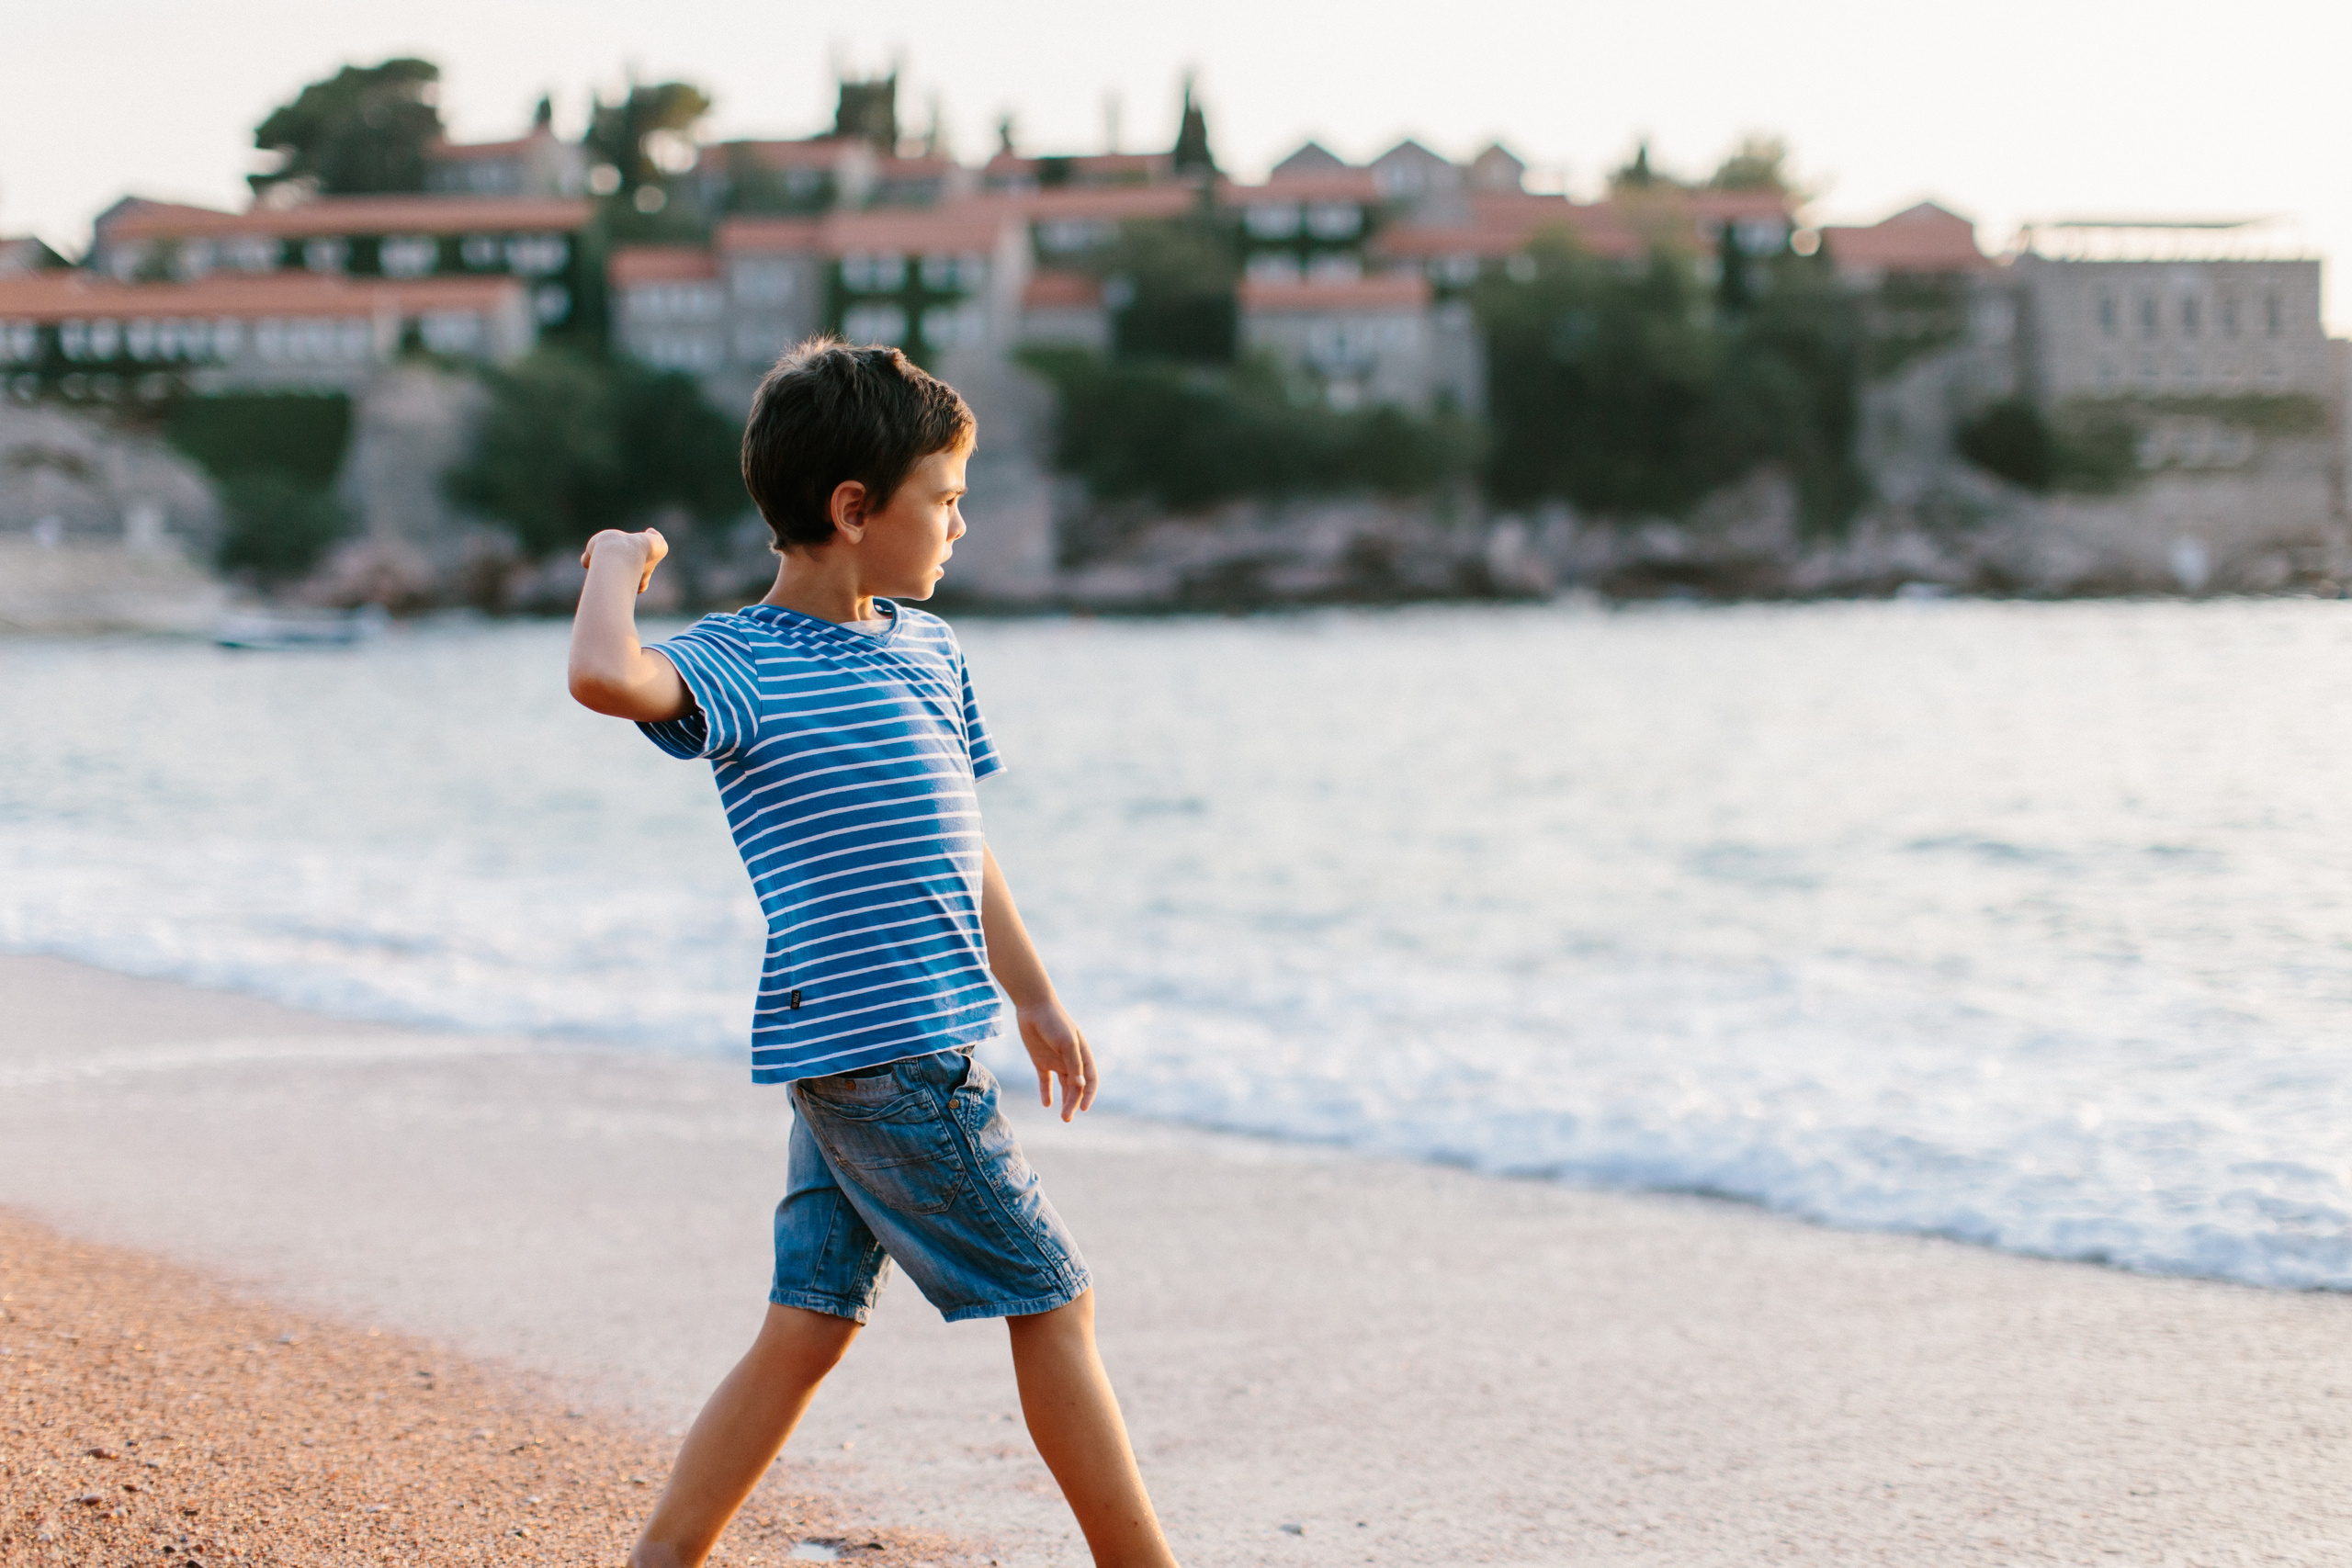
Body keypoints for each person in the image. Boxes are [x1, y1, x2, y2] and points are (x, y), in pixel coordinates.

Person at [566, 339, 1179, 1568]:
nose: (961, 524)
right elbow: (599, 672)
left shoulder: (930, 651)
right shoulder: (737, 663)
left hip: (874, 1046)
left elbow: (964, 843)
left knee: (808, 1324)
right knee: (1057, 1303)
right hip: (890, 1055)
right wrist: (615, 568)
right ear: (854, 510)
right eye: (943, 500)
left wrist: (1040, 999)